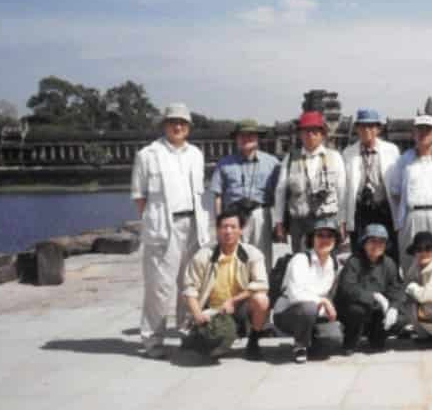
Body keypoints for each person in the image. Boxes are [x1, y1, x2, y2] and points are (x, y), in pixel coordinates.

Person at [130, 102, 211, 358]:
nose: (178, 126)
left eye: (182, 123)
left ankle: (186, 333)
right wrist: (152, 222)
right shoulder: (148, 155)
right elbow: (139, 197)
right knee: (159, 287)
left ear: (189, 127)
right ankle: (152, 341)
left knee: (190, 284)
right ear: (164, 125)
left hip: (193, 225)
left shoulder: (196, 154)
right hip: (164, 227)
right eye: (173, 122)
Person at [181, 208, 270, 359]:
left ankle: (254, 341)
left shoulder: (252, 253)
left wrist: (233, 301)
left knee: (261, 299)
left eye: (233, 227)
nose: (228, 231)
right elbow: (189, 289)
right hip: (212, 310)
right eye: (224, 227)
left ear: (241, 230)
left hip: (240, 308)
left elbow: (261, 284)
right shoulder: (203, 255)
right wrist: (197, 315)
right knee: (208, 351)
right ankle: (207, 338)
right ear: (217, 230)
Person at [210, 119, 281, 270]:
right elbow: (217, 196)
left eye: (251, 135)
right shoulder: (224, 163)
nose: (246, 138)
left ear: (258, 138)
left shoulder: (272, 163)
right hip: (233, 215)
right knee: (235, 257)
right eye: (242, 135)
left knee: (261, 257)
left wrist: (278, 223)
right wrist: (219, 223)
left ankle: (262, 283)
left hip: (260, 214)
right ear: (236, 138)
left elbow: (279, 196)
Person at [273, 111, 347, 253]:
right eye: (306, 131)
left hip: (327, 220)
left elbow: (342, 191)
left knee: (327, 260)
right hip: (299, 221)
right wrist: (279, 222)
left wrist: (343, 221)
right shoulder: (290, 158)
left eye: (315, 132)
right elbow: (280, 191)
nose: (310, 135)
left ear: (322, 134)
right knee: (300, 260)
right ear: (300, 134)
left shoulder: (335, 157)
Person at [271, 217, 344, 363]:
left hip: (316, 312)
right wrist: (323, 301)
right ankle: (300, 346)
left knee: (333, 338)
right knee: (308, 308)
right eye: (320, 235)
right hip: (289, 312)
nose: (325, 239)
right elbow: (296, 295)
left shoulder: (334, 264)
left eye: (329, 236)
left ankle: (310, 339)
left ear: (335, 240)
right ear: (312, 238)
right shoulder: (300, 259)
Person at [389, 115, 432, 272]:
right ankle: (411, 288)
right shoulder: (403, 160)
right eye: (420, 130)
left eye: (428, 130)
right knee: (410, 262)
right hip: (412, 215)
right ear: (413, 134)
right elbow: (395, 192)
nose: (423, 134)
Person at [334, 223, 405, 355]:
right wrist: (374, 296)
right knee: (357, 310)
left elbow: (396, 289)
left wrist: (393, 308)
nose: (377, 245)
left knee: (401, 317)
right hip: (355, 308)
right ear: (364, 243)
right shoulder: (354, 261)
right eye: (372, 241)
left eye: (381, 242)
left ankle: (376, 335)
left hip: (377, 311)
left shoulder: (389, 263)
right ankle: (350, 339)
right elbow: (347, 289)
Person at [343, 108, 401, 260]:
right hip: (360, 211)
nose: (366, 130)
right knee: (361, 253)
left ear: (378, 129)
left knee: (389, 252)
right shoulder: (348, 153)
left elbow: (398, 183)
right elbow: (344, 190)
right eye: (362, 126)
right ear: (357, 129)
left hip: (384, 210)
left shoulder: (391, 150)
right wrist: (343, 219)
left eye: (371, 126)